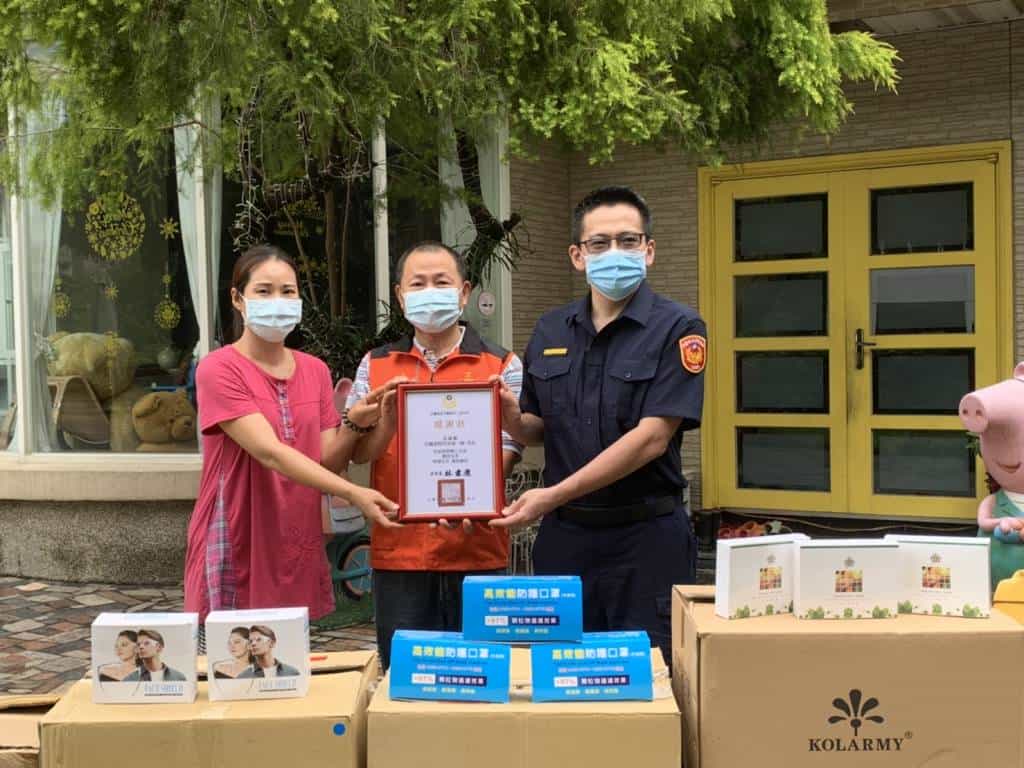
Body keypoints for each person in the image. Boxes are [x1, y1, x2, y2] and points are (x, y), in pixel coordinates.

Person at [493, 186, 705, 665]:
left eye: (628, 241)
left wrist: (552, 495)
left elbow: (652, 439)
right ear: (577, 255)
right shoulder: (550, 329)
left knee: (650, 676)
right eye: (599, 243)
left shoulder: (680, 328)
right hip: (565, 541)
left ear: (649, 250)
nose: (615, 253)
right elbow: (539, 428)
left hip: (646, 541)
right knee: (559, 673)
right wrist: (511, 418)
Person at [183, 244, 400, 628]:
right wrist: (355, 493)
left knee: (288, 652)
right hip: (237, 534)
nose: (277, 301)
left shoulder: (315, 370)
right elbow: (270, 452)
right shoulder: (218, 369)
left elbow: (327, 458)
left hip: (295, 537)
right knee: (231, 653)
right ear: (237, 299)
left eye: (287, 291)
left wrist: (356, 422)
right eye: (263, 291)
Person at [345, 241, 524, 669]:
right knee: (408, 677)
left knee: (482, 675)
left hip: (478, 548)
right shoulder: (375, 365)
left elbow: (510, 446)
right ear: (400, 296)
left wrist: (471, 498)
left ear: (464, 292)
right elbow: (360, 453)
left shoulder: (501, 364)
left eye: (441, 282)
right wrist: (386, 424)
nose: (430, 292)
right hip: (400, 550)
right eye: (418, 284)